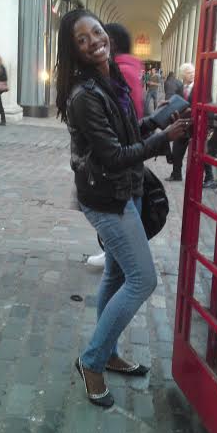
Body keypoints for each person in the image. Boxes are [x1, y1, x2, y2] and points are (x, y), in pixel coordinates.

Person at [55, 9, 188, 408]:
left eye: (96, 32)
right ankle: (92, 361)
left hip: (128, 189)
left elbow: (127, 135)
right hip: (107, 200)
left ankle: (108, 352)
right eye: (82, 40)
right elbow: (113, 156)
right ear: (74, 51)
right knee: (142, 279)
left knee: (115, 274)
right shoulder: (84, 96)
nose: (94, 41)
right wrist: (164, 137)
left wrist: (158, 121)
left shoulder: (110, 79)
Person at [87, 23, 145, 269]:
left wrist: (158, 137)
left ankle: (111, 252)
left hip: (121, 169)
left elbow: (127, 125)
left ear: (113, 42)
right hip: (121, 166)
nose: (96, 43)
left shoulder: (119, 71)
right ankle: (111, 253)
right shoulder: (123, 70)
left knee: (140, 277)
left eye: (101, 35)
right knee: (119, 272)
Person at [165, 62, 195, 181]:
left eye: (193, 72)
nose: (192, 74)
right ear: (183, 75)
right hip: (182, 124)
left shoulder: (200, 87)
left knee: (199, 153)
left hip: (194, 125)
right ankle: (176, 174)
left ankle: (209, 177)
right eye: (188, 73)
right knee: (177, 151)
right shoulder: (180, 88)